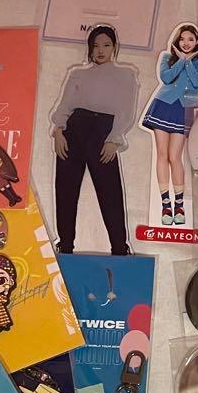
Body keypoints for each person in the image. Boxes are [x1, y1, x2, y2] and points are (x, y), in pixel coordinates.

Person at [51, 25, 139, 255]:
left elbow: (126, 110)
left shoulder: (125, 75)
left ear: (114, 47)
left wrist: (114, 138)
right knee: (65, 189)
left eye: (106, 45)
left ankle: (119, 248)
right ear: (89, 48)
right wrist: (58, 131)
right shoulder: (78, 74)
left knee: (110, 192)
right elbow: (65, 105)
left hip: (103, 132)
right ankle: (65, 246)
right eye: (96, 46)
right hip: (74, 129)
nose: (100, 50)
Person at [141, 23, 198, 226]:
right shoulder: (166, 57)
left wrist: (188, 62)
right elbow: (166, 78)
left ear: (197, 42)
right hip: (164, 105)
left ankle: (179, 205)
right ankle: (165, 204)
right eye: (182, 39)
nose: (186, 43)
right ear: (177, 41)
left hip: (183, 109)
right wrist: (181, 60)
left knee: (175, 157)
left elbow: (197, 82)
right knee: (162, 154)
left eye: (190, 39)